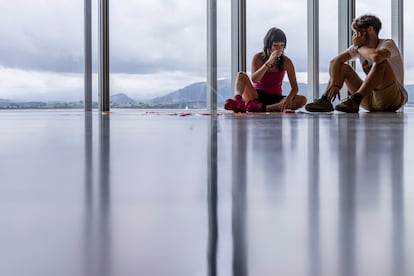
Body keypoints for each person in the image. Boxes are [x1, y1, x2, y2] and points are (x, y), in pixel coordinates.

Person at [305, 14, 408, 113]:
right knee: (343, 67)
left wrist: (359, 47)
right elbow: (335, 61)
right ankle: (325, 100)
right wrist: (335, 84)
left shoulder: (387, 44)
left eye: (357, 33)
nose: (355, 37)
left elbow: (376, 57)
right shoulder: (359, 47)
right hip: (370, 99)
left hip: (392, 98)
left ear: (370, 30)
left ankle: (355, 99)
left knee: (382, 62)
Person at [224, 27, 307, 113]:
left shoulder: (286, 62)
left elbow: (295, 88)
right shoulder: (257, 58)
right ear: (268, 45)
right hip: (256, 96)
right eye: (275, 45)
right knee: (241, 75)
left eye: (282, 45)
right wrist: (268, 63)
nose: (279, 49)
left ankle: (263, 108)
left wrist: (288, 99)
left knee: (302, 100)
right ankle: (237, 101)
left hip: (276, 98)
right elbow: (254, 79)